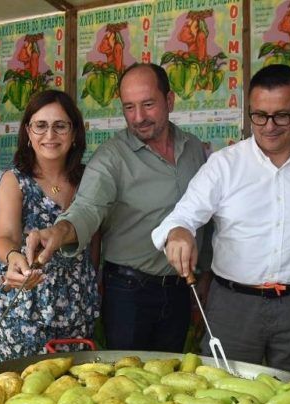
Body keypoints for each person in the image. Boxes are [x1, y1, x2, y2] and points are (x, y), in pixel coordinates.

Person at [151, 64, 290, 379]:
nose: (269, 126)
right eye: (259, 115)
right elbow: (182, 216)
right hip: (233, 305)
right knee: (223, 396)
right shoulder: (224, 165)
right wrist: (179, 232)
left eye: (282, 115)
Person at [25, 63, 210, 353]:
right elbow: (87, 208)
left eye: (148, 104)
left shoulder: (195, 149)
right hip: (129, 293)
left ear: (170, 100)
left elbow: (205, 218)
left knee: (172, 381)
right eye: (129, 107)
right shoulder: (111, 157)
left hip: (180, 289)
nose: (138, 118)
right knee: (128, 379)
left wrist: (204, 280)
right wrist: (59, 232)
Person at [0, 90, 99, 361]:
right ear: (28, 132)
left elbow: (96, 240)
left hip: (78, 305)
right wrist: (14, 257)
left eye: (60, 126)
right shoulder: (15, 180)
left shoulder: (89, 179)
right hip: (26, 305)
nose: (50, 135)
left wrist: (94, 282)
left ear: (75, 133)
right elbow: (5, 237)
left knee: (74, 392)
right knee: (23, 392)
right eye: (40, 126)